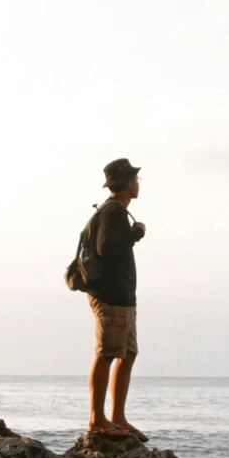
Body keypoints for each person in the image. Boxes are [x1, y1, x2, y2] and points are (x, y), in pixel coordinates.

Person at [86, 157, 146, 440]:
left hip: (123, 298)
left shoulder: (117, 212)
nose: (138, 183)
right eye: (136, 179)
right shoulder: (113, 213)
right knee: (107, 353)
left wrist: (132, 235)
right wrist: (133, 235)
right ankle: (97, 419)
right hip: (111, 296)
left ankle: (118, 416)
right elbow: (106, 247)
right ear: (125, 184)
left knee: (128, 352)